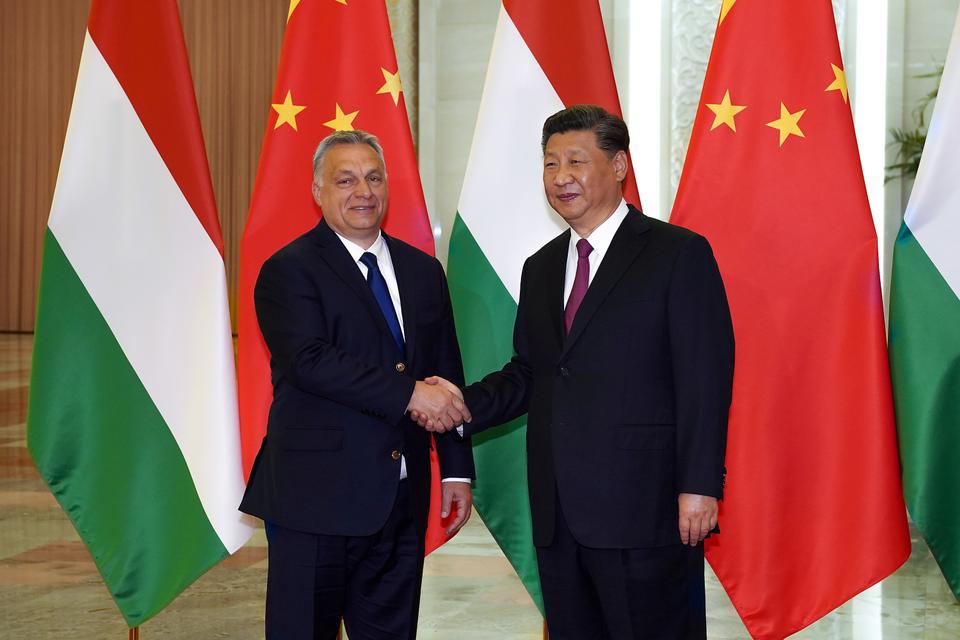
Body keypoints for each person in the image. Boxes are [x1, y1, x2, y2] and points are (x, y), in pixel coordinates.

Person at [416, 105, 735, 638]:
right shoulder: (540, 267)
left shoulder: (677, 254)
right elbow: (530, 372)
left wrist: (699, 485)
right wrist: (459, 406)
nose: (560, 176)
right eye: (549, 163)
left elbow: (705, 379)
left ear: (618, 166)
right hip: (560, 512)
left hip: (646, 508)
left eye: (576, 161)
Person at [240, 130, 475, 640]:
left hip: (400, 500)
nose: (362, 191)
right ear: (317, 191)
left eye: (373, 177)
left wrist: (456, 469)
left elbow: (444, 370)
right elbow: (309, 361)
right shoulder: (288, 270)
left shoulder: (423, 271)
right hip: (314, 500)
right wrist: (410, 394)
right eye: (344, 180)